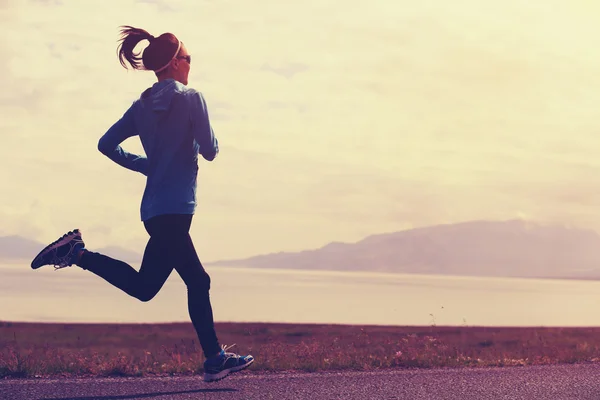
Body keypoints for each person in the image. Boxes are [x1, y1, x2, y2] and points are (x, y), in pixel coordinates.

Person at [30, 25, 254, 383]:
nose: (190, 64)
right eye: (188, 57)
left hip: (154, 212)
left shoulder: (141, 107)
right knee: (198, 281)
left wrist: (148, 165)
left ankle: (76, 253)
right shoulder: (191, 98)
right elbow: (210, 150)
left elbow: (107, 144)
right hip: (176, 211)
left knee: (145, 288)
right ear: (176, 62)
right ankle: (214, 360)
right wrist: (192, 147)